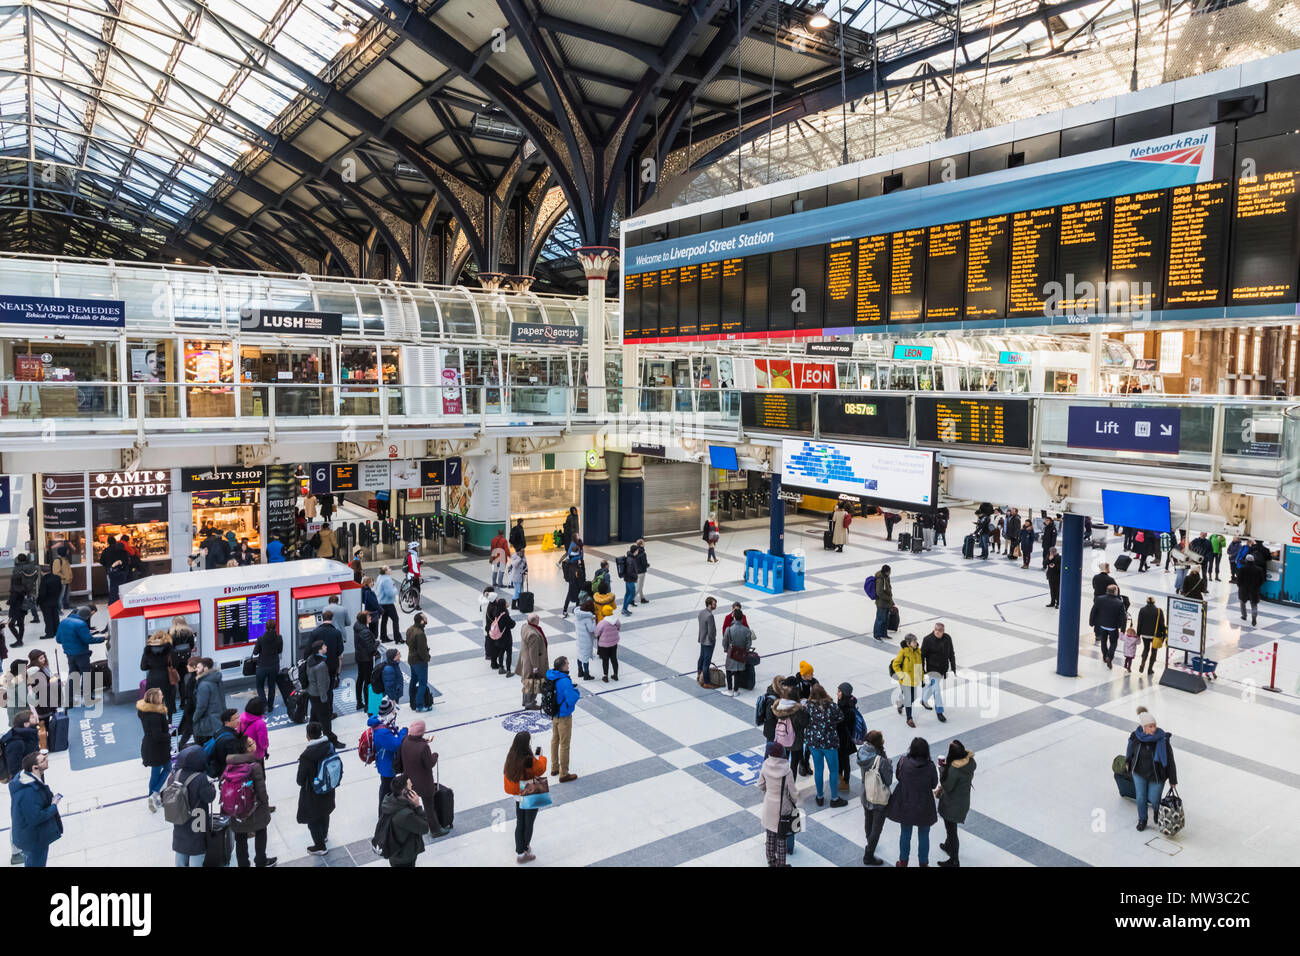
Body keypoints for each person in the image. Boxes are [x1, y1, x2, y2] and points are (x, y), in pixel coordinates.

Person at [224, 735, 277, 867]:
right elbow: (261, 791)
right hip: (255, 808)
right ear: (246, 749)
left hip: (236, 809)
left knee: (240, 838)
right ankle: (261, 861)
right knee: (260, 832)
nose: (254, 744)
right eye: (251, 743)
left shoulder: (229, 766)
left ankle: (243, 864)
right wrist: (265, 803)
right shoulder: (254, 766)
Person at [1124, 706, 1178, 832]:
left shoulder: (1163, 739)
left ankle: (1156, 811)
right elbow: (1129, 752)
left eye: (1154, 726)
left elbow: (1170, 760)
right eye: (1150, 726)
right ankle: (1142, 819)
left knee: (1154, 799)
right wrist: (1128, 765)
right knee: (1141, 797)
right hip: (1139, 773)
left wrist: (1173, 779)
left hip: (1157, 775)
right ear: (1143, 727)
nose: (1154, 729)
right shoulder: (1135, 736)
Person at [887, 736, 938, 867]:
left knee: (905, 833)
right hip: (924, 805)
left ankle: (903, 862)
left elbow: (898, 776)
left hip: (906, 802)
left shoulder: (903, 761)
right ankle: (923, 863)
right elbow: (934, 784)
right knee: (924, 834)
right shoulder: (930, 766)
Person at [10, 750, 62, 867]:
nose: (47, 760)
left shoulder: (28, 779)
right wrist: (53, 805)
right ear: (35, 768)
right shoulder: (29, 793)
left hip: (31, 835)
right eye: (43, 760)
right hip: (33, 840)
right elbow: (35, 818)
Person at [400, 719, 451, 837]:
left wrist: (424, 741)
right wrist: (435, 755)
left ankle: (413, 827)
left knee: (411, 804)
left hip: (409, 780)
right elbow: (429, 763)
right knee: (429, 806)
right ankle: (436, 830)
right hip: (424, 782)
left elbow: (414, 747)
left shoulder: (405, 740)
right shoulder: (423, 747)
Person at [503, 731, 547, 864]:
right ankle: (525, 848)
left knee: (520, 822)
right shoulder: (529, 760)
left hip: (517, 796)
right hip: (529, 793)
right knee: (529, 823)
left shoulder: (511, 756)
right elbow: (540, 769)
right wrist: (541, 757)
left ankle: (520, 853)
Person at [170, 745, 216, 866]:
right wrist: (212, 787)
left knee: (181, 846)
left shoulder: (176, 773)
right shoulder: (200, 778)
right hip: (197, 819)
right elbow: (209, 797)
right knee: (197, 848)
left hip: (179, 816)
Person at [297, 722, 337, 855]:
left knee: (313, 819)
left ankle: (320, 846)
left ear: (308, 736)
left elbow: (300, 780)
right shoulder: (329, 746)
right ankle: (324, 835)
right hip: (328, 786)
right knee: (325, 811)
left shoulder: (306, 756)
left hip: (313, 791)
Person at [803, 684, 845, 807]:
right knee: (833, 770)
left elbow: (804, 721)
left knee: (818, 769)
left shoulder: (808, 707)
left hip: (813, 743)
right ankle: (834, 798)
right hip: (829, 743)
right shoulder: (832, 706)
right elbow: (841, 717)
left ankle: (820, 796)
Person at [757, 741, 798, 867]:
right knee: (781, 839)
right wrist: (794, 801)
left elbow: (760, 784)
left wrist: (768, 792)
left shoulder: (765, 765)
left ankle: (771, 862)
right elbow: (793, 793)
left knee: (770, 837)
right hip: (783, 808)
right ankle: (781, 864)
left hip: (769, 805)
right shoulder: (787, 770)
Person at [936, 740, 976, 867]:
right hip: (962, 801)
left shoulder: (955, 769)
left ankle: (954, 860)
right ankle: (948, 845)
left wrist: (942, 770)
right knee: (951, 828)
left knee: (951, 831)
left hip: (952, 804)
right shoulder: (970, 762)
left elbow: (947, 786)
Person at [55, 606, 104, 707]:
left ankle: (69, 701)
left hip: (69, 654)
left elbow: (58, 639)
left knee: (73, 676)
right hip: (81, 654)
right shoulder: (81, 624)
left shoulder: (64, 621)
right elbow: (89, 639)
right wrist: (103, 638)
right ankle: (87, 699)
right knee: (86, 676)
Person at [857, 729, 893, 865]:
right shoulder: (880, 760)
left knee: (868, 820)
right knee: (877, 828)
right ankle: (869, 854)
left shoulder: (861, 752)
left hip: (865, 792)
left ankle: (870, 842)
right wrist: (888, 764)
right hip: (878, 796)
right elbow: (888, 780)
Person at [377, 774, 429, 867]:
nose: (412, 785)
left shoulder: (389, 801)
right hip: (404, 857)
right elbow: (425, 828)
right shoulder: (405, 815)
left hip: (395, 854)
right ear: (405, 792)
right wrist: (418, 806)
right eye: (410, 785)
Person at [370, 699, 407, 816]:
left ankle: (385, 810)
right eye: (393, 711)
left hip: (384, 760)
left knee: (385, 787)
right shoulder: (382, 732)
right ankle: (383, 814)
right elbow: (395, 745)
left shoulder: (380, 721)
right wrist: (403, 732)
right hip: (387, 764)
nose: (395, 713)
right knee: (386, 789)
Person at [547, 656, 581, 783]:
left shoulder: (552, 676)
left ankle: (554, 767)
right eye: (567, 664)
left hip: (554, 714)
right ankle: (564, 773)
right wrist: (576, 692)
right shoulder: (565, 681)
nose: (568, 665)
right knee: (564, 744)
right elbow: (572, 698)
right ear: (562, 666)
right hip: (564, 716)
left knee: (555, 740)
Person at [137, 687, 171, 810]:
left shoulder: (144, 712)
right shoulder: (156, 715)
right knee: (167, 768)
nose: (162, 696)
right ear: (156, 698)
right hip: (157, 749)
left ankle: (153, 797)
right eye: (161, 695)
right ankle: (154, 794)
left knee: (155, 772)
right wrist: (168, 734)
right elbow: (158, 736)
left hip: (149, 747)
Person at [305, 641, 340, 747]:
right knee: (325, 719)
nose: (326, 647)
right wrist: (324, 700)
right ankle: (331, 740)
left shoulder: (310, 659)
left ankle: (311, 735)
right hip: (320, 695)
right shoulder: (321, 665)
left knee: (314, 715)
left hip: (311, 692)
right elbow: (321, 684)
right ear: (320, 650)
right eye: (324, 646)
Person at [920, 622, 956, 723]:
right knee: (937, 690)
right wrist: (922, 670)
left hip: (942, 668)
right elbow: (922, 656)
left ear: (943, 631)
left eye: (940, 631)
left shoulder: (947, 638)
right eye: (936, 630)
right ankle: (939, 711)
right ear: (934, 629)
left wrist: (953, 667)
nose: (938, 632)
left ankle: (923, 699)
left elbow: (951, 653)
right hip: (932, 669)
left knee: (933, 686)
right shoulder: (927, 640)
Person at [140, 630, 177, 718]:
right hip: (166, 677)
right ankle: (169, 720)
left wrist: (152, 665)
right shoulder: (170, 649)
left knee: (152, 699)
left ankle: (154, 718)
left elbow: (143, 667)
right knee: (168, 699)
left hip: (152, 678)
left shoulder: (147, 650)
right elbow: (175, 664)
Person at [890, 634, 923, 728]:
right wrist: (901, 676)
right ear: (908, 643)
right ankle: (909, 719)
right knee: (909, 699)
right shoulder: (903, 652)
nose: (916, 643)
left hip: (914, 679)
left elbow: (920, 665)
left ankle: (900, 704)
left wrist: (922, 677)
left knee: (913, 698)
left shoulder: (918, 652)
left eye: (916, 641)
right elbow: (895, 664)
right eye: (914, 642)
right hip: (905, 680)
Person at [516, 612, 549, 707]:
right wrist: (535, 666)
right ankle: (530, 703)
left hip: (526, 659)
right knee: (532, 682)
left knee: (527, 682)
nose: (539, 621)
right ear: (534, 621)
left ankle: (525, 701)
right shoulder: (533, 634)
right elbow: (533, 652)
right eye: (538, 619)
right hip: (532, 662)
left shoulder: (525, 626)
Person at [1090, 584, 1126, 669]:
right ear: (1115, 591)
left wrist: (1092, 622)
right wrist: (1123, 629)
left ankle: (1104, 656)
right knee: (1113, 643)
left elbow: (1093, 611)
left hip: (1102, 625)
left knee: (1103, 641)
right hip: (1113, 626)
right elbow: (1123, 617)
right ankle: (1109, 657)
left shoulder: (1099, 599)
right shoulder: (1119, 603)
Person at [191, 657, 225, 746]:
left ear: (205, 668)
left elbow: (201, 706)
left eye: (198, 667)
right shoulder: (217, 679)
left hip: (208, 723)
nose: (196, 670)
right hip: (219, 719)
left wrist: (194, 718)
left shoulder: (203, 685)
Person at [308, 610, 345, 689]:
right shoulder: (337, 632)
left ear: (322, 618)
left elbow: (308, 649)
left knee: (319, 686)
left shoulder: (315, 632)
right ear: (332, 619)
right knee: (330, 687)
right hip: (332, 664)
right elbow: (340, 649)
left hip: (317, 664)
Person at [253, 618, 283, 712]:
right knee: (272, 686)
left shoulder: (261, 639)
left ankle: (264, 704)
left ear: (266, 627)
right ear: (275, 627)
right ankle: (270, 706)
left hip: (262, 665)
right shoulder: (279, 638)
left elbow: (255, 652)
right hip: (274, 665)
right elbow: (280, 651)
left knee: (259, 686)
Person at [720, 612, 752, 696]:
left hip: (731, 653)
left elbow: (724, 642)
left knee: (729, 670)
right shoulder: (746, 630)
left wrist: (727, 649)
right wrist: (745, 650)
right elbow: (749, 644)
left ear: (734, 618)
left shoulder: (729, 629)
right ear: (742, 619)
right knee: (738, 672)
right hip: (741, 654)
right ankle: (736, 690)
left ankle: (730, 689)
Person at [353, 610, 378, 712]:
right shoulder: (365, 632)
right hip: (366, 659)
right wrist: (377, 644)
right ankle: (367, 704)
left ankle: (359, 701)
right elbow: (371, 648)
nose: (370, 618)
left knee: (360, 679)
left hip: (360, 657)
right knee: (367, 681)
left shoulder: (357, 626)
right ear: (364, 619)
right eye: (369, 617)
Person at [406, 612, 431, 711]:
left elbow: (408, 643)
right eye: (425, 618)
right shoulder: (420, 634)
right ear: (421, 621)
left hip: (411, 658)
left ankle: (412, 702)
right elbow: (422, 651)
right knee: (422, 683)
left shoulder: (410, 629)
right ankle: (419, 705)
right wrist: (427, 658)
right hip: (419, 661)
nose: (426, 619)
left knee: (413, 680)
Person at [1135, 596, 1165, 676]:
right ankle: (1150, 669)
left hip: (1145, 634)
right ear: (1154, 602)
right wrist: (1164, 635)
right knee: (1154, 651)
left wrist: (1138, 634)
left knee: (1146, 649)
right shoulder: (1159, 611)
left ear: (1147, 602)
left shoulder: (1142, 610)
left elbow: (1139, 623)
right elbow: (1162, 624)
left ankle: (1142, 664)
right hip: (1155, 635)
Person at [176, 656, 200, 750]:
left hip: (190, 707)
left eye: (188, 665)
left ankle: (181, 745)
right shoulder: (194, 678)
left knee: (189, 728)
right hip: (191, 707)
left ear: (194, 667)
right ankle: (184, 745)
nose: (186, 666)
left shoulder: (192, 679)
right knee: (190, 728)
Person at [487, 597, 515, 675]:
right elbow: (512, 624)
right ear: (503, 604)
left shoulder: (497, 613)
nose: (507, 603)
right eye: (506, 602)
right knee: (509, 653)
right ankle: (508, 671)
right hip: (506, 637)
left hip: (499, 637)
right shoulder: (505, 615)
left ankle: (501, 668)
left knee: (501, 652)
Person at [239, 697, 270, 761]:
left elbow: (238, 732)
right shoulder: (260, 724)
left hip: (244, 752)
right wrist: (265, 748)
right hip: (256, 754)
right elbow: (263, 742)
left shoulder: (242, 717)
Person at [1237, 553, 1265, 626]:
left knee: (1242, 603)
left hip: (1244, 589)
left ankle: (1244, 616)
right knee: (1254, 604)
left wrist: (1240, 586)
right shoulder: (1259, 569)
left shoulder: (1242, 569)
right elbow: (1262, 580)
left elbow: (1238, 580)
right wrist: (1257, 586)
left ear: (1246, 560)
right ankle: (1254, 617)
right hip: (1254, 590)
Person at [574, 598, 597, 681]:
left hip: (579, 638)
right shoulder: (588, 617)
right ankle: (586, 675)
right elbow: (591, 629)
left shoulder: (578, 614)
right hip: (586, 640)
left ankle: (580, 671)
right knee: (585, 657)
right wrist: (594, 620)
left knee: (580, 654)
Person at [375, 569, 401, 644]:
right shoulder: (386, 580)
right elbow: (389, 593)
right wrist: (395, 589)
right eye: (388, 568)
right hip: (388, 603)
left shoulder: (380, 577)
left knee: (384, 619)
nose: (390, 569)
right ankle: (397, 638)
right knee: (395, 619)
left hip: (382, 602)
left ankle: (383, 637)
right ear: (386, 571)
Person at [36, 564, 60, 642]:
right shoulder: (57, 577)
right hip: (55, 600)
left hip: (46, 602)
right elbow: (60, 588)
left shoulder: (44, 580)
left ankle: (49, 633)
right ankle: (57, 631)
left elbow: (42, 593)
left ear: (42, 572)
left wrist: (39, 601)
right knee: (55, 616)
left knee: (48, 618)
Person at [696, 596, 718, 682]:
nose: (715, 605)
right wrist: (713, 639)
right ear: (709, 605)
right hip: (709, 641)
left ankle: (699, 674)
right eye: (714, 604)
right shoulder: (710, 616)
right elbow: (711, 631)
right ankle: (706, 680)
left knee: (701, 657)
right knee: (707, 661)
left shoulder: (701, 613)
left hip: (702, 639)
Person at [595, 614, 621, 682]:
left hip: (604, 644)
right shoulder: (616, 620)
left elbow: (597, 632)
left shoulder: (602, 623)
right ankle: (615, 675)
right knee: (614, 659)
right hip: (614, 642)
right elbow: (619, 627)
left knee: (605, 660)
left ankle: (605, 676)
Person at [871, 564, 894, 642]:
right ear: (886, 572)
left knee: (886, 619)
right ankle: (876, 635)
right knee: (880, 619)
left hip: (887, 602)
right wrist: (888, 599)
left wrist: (891, 601)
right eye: (889, 571)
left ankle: (884, 633)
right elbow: (879, 592)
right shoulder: (880, 579)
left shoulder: (886, 577)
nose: (890, 573)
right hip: (881, 603)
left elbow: (888, 589)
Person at [51, 543, 73, 611]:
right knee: (61, 596)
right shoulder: (57, 560)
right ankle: (59, 609)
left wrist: (70, 577)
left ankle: (66, 606)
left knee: (66, 596)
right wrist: (64, 577)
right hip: (62, 581)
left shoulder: (65, 559)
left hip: (67, 580)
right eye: (66, 551)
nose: (67, 552)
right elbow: (56, 572)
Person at [619, 544, 638, 615]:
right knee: (632, 594)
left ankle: (624, 608)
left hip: (627, 579)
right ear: (635, 551)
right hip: (630, 580)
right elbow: (629, 571)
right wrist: (635, 575)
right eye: (637, 551)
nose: (637, 552)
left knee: (627, 593)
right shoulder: (631, 560)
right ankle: (624, 609)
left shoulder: (630, 557)